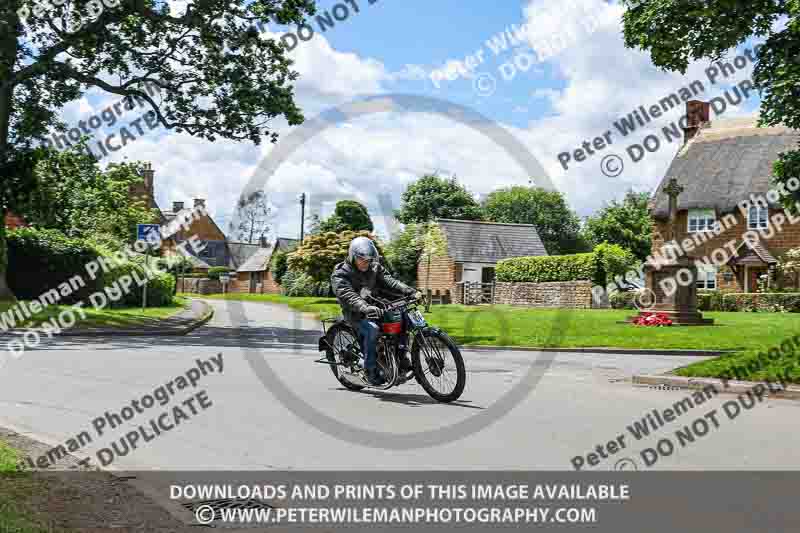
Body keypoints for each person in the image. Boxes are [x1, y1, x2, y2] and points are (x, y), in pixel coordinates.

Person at [331, 236, 423, 386]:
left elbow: (390, 281)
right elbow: (348, 295)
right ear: (352, 256)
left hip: (377, 308)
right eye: (362, 259)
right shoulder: (341, 274)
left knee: (402, 319)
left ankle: (400, 358)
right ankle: (370, 370)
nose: (366, 263)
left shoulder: (374, 268)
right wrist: (365, 307)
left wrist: (410, 292)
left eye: (368, 260)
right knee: (372, 329)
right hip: (356, 313)